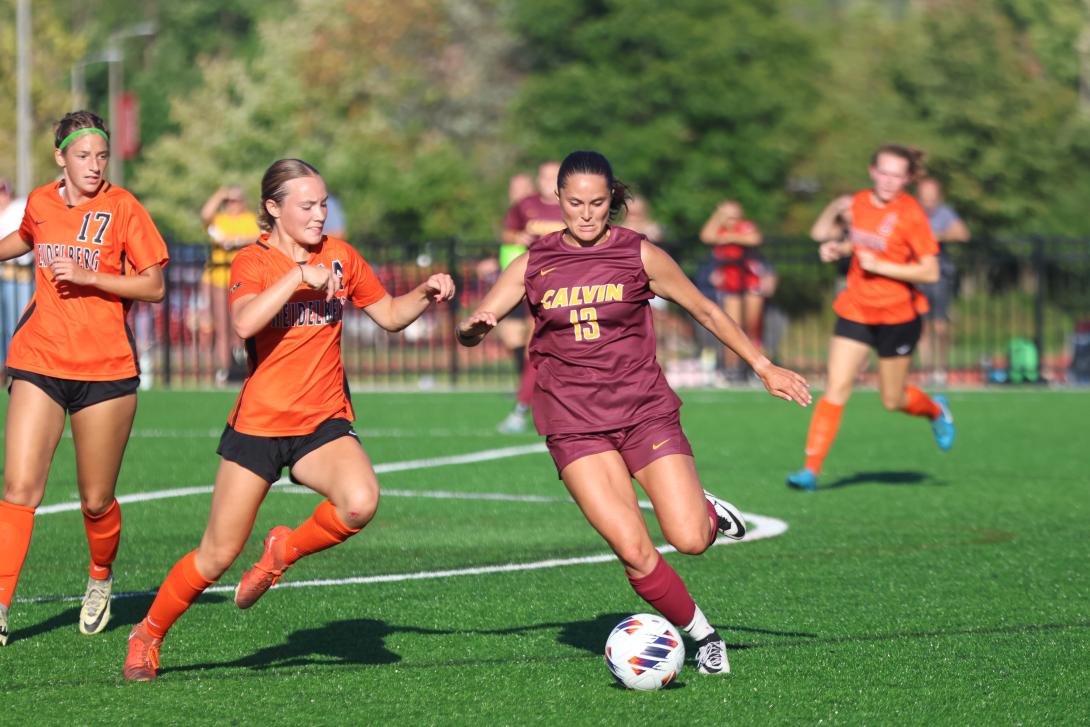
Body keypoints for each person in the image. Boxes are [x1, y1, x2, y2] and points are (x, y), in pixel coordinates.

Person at [457, 150, 810, 675]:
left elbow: (706, 309)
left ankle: (707, 511)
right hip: (572, 423)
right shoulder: (535, 261)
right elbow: (482, 313)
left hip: (643, 412)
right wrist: (476, 325)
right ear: (557, 200)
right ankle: (701, 633)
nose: (584, 214)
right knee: (633, 548)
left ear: (611, 202)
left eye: (597, 203)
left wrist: (763, 365)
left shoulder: (638, 253)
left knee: (689, 538)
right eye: (574, 203)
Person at [123, 158, 455, 681]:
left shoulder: (341, 256)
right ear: (274, 209)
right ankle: (148, 633)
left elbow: (389, 315)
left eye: (323, 203)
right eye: (307, 205)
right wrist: (299, 276)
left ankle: (282, 551)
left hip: (322, 421)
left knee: (361, 501)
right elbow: (243, 322)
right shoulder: (251, 262)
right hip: (258, 426)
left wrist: (426, 293)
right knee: (216, 556)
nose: (320, 214)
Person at [0, 111, 169, 645]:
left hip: (106, 370)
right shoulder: (41, 202)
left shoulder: (124, 207)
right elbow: (24, 238)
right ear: (60, 158)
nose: (94, 166)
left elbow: (155, 286)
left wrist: (93, 275)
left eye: (101, 156)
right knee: (18, 488)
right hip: (39, 359)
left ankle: (100, 576)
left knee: (96, 500)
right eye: (83, 156)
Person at [786, 144, 956, 492]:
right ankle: (810, 469)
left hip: (898, 316)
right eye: (884, 172)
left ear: (907, 178)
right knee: (836, 387)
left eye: (898, 175)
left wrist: (884, 267)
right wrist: (838, 247)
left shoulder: (911, 214)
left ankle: (936, 411)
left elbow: (930, 271)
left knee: (892, 399)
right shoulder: (859, 202)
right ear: (872, 171)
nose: (890, 181)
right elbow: (832, 237)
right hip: (856, 309)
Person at [495, 162, 565, 434]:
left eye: (554, 176)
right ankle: (526, 402)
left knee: (541, 346)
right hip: (531, 281)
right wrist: (518, 235)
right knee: (528, 345)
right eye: (544, 175)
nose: (548, 181)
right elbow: (507, 232)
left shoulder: (571, 204)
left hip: (562, 284)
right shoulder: (525, 205)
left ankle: (523, 407)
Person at [699, 200, 767, 381]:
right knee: (732, 328)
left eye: (735, 216)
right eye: (728, 217)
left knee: (752, 328)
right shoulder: (719, 229)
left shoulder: (745, 227)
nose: (732, 221)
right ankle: (733, 370)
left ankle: (758, 370)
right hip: (730, 285)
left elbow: (755, 238)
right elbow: (706, 236)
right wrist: (718, 216)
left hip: (750, 283)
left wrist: (730, 237)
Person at [200, 185, 260, 384]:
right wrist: (220, 194)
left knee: (241, 326)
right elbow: (206, 214)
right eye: (229, 202)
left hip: (243, 279)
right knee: (222, 326)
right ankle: (225, 369)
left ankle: (243, 366)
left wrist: (236, 241)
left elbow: (258, 237)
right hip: (219, 278)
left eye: (236, 201)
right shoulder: (220, 219)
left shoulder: (249, 219)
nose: (233, 205)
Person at [915, 177, 970, 384]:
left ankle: (941, 369)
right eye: (924, 196)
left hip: (940, 275)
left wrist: (936, 236)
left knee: (939, 325)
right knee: (922, 327)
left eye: (932, 196)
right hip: (917, 273)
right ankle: (926, 370)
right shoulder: (912, 212)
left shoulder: (944, 212)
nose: (928, 201)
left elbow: (963, 234)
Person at [0, 178, 30, 365]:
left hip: (20, 275)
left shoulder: (19, 207)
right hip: (3, 274)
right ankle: (4, 366)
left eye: (3, 191)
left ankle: (17, 364)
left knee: (18, 324)